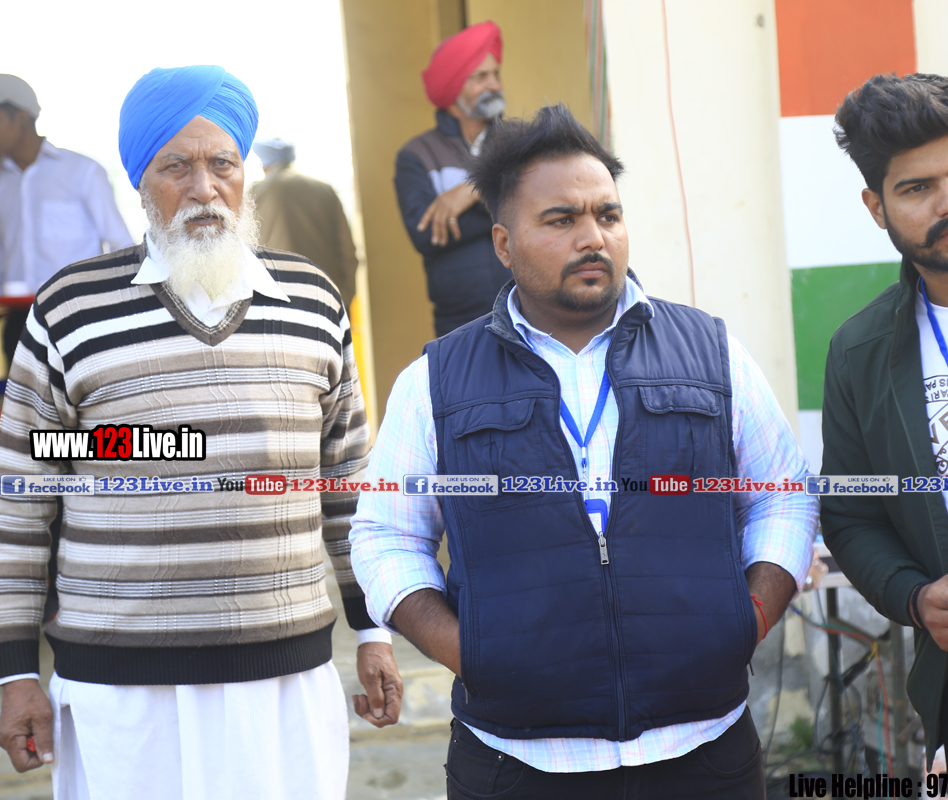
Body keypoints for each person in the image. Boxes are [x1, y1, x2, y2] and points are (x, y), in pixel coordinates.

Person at [351, 104, 818, 799]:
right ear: (504, 243)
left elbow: (784, 493)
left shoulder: (711, 352)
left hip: (704, 750)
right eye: (561, 219)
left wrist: (746, 619)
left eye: (608, 214)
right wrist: (467, 650)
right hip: (516, 762)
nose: (593, 237)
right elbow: (386, 534)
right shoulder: (436, 381)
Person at [0, 65, 402, 799]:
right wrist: (14, 670)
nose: (204, 188)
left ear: (245, 174)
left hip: (285, 681)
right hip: (119, 692)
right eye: (175, 167)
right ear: (140, 182)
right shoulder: (68, 309)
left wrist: (372, 629)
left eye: (222, 163)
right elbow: (21, 494)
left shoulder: (313, 300)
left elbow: (348, 484)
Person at [820, 73, 948, 774]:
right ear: (876, 207)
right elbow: (852, 514)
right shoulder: (861, 351)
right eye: (917, 188)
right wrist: (914, 597)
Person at [0, 74, 133, 370]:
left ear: (21, 118)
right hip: (19, 323)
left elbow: (120, 244)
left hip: (80, 317)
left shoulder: (82, 172)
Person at [394, 20, 512, 337]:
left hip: (529, 310)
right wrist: (502, 202)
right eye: (480, 77)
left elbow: (540, 210)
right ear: (455, 86)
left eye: (496, 74)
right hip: (458, 322)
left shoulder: (521, 142)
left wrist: (473, 190)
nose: (494, 84)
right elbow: (426, 235)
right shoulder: (417, 154)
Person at [251, 138, 359, 307]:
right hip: (325, 297)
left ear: (264, 165)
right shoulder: (325, 190)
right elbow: (347, 251)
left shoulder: (253, 194)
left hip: (276, 300)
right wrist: (345, 297)